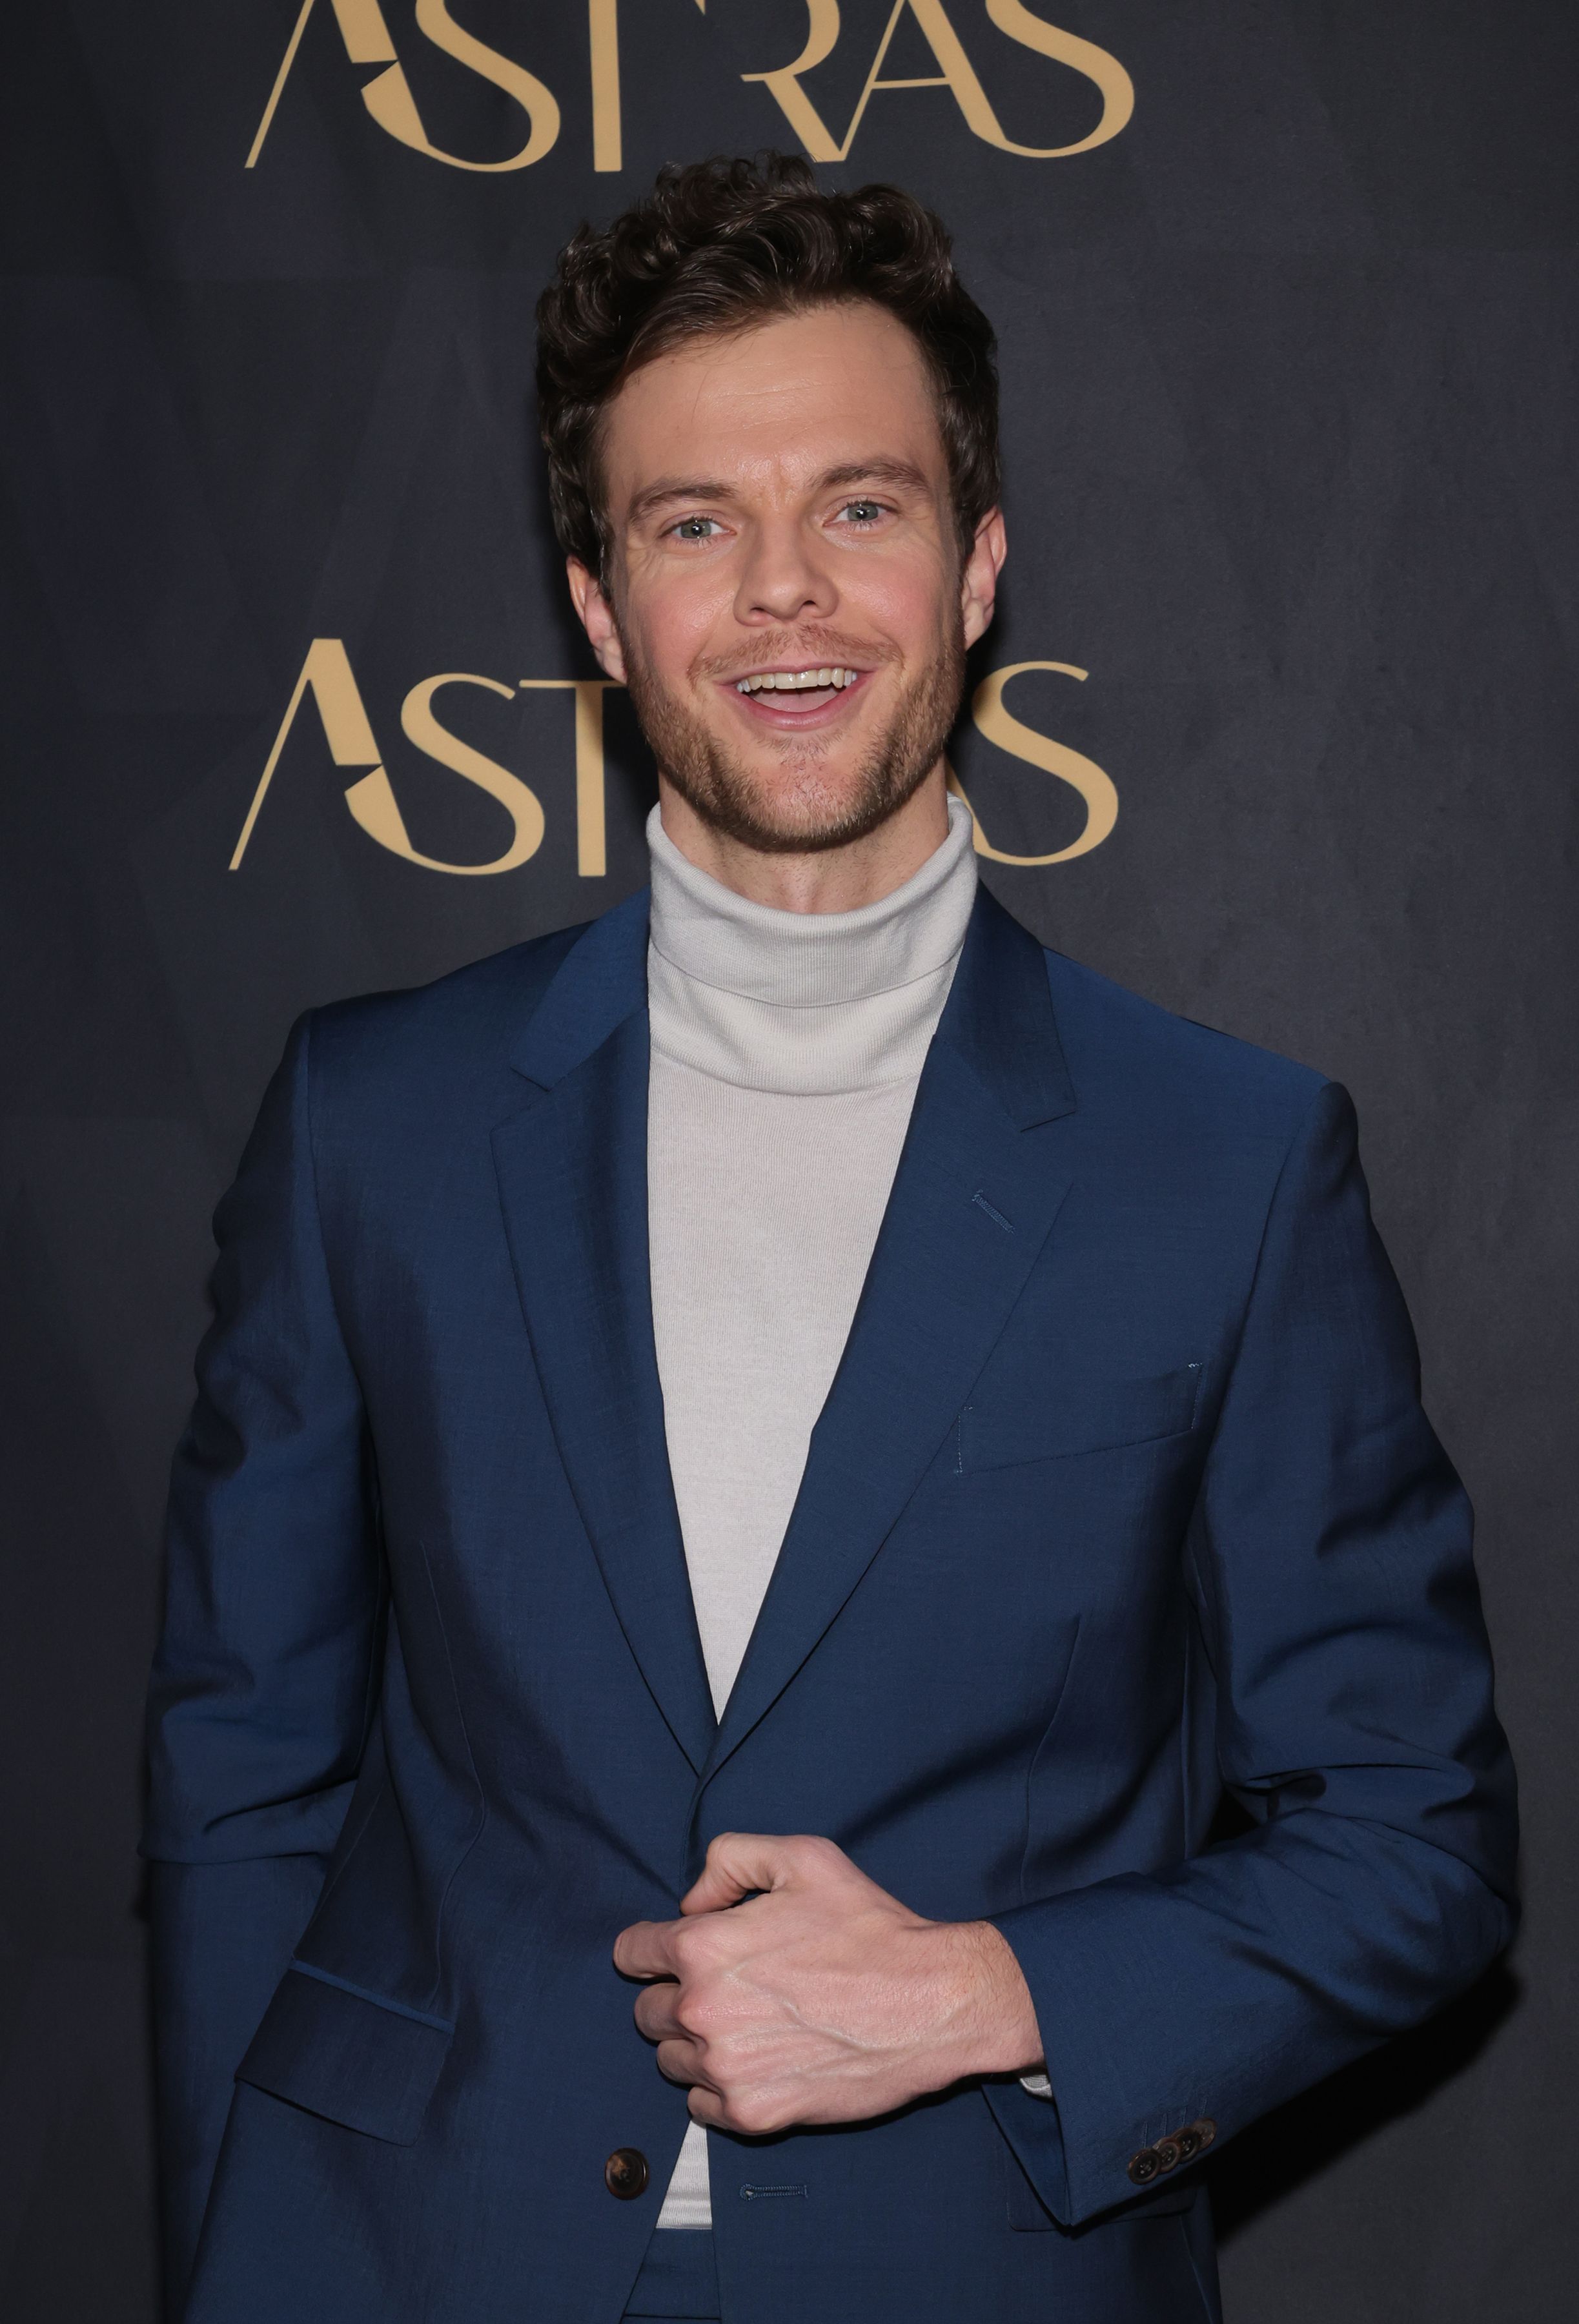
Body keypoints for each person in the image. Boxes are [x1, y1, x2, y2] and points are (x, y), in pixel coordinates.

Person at [144, 155, 1516, 2324]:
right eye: (698, 524)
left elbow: (1415, 1848)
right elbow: (242, 1788)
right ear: (602, 607)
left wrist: (987, 1994)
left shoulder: (1227, 1165)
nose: (786, 595)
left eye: (859, 508)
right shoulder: (370, 1126)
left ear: (976, 567)